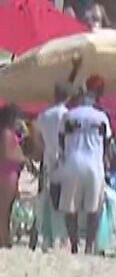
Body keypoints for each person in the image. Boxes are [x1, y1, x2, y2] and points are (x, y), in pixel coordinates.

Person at [56, 89, 110, 255]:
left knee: (70, 207)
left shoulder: (69, 115)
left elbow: (61, 138)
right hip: (95, 165)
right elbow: (107, 142)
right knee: (94, 208)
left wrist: (66, 154)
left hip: (73, 162)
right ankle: (88, 245)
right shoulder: (102, 117)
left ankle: (74, 245)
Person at [30, 87, 73, 253]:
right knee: (64, 200)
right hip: (64, 160)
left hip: (48, 159)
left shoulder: (44, 115)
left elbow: (38, 139)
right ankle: (63, 237)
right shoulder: (67, 114)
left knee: (46, 199)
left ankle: (46, 237)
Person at [0, 106, 25, 250]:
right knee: (4, 209)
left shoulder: (8, 133)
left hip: (9, 173)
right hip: (7, 172)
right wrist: (21, 158)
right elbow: (6, 155)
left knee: (7, 209)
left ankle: (5, 237)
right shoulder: (6, 133)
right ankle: (4, 239)